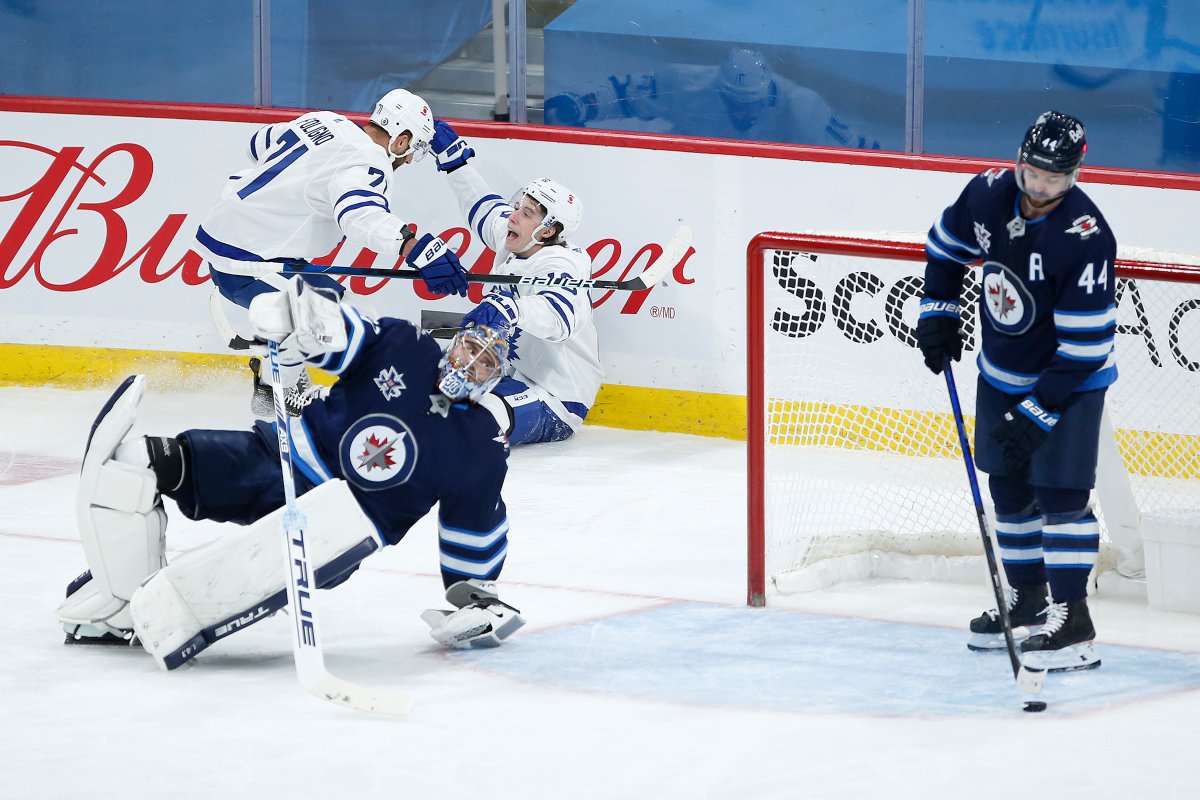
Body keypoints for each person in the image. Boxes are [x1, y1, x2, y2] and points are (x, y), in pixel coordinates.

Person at [55, 278, 524, 668]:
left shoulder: (481, 446)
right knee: (136, 462)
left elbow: (474, 524)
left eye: (486, 362)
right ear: (455, 340)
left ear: (495, 378)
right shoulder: (406, 346)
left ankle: (133, 601)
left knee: (212, 571)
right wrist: (298, 316)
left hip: (334, 531)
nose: (470, 363)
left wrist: (479, 598)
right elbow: (344, 336)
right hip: (274, 460)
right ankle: (120, 600)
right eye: (469, 347)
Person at [916, 111, 1117, 673]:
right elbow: (945, 246)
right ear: (1020, 159)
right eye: (1034, 173)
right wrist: (938, 306)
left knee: (1060, 497)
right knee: (1007, 489)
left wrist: (1040, 409)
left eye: (1055, 179)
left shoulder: (1086, 235)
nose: (1041, 187)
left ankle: (1073, 619)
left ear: (1075, 174)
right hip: (1000, 374)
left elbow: (1085, 348)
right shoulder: (985, 193)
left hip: (1069, 385)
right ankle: (1027, 599)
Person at [193, 88, 470, 417]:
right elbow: (358, 213)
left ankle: (274, 388)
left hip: (230, 240)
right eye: (413, 149)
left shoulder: (326, 121)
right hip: (250, 261)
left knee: (327, 302)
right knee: (345, 323)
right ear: (400, 139)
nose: (410, 159)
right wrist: (415, 246)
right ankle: (276, 395)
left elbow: (258, 142)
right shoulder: (368, 160)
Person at [424, 118, 603, 445]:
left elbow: (559, 317)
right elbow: (481, 205)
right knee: (431, 403)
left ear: (548, 231)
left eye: (527, 212)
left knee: (471, 426)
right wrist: (453, 160)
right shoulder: (517, 236)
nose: (513, 215)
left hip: (557, 396)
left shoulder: (565, 263)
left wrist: (510, 308)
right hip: (507, 376)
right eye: (517, 206)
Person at [544, 46, 880, 150]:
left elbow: (856, 146)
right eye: (735, 101)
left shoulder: (802, 106)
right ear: (719, 89)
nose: (744, 110)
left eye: (751, 102)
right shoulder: (687, 82)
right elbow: (626, 94)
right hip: (690, 173)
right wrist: (581, 104)